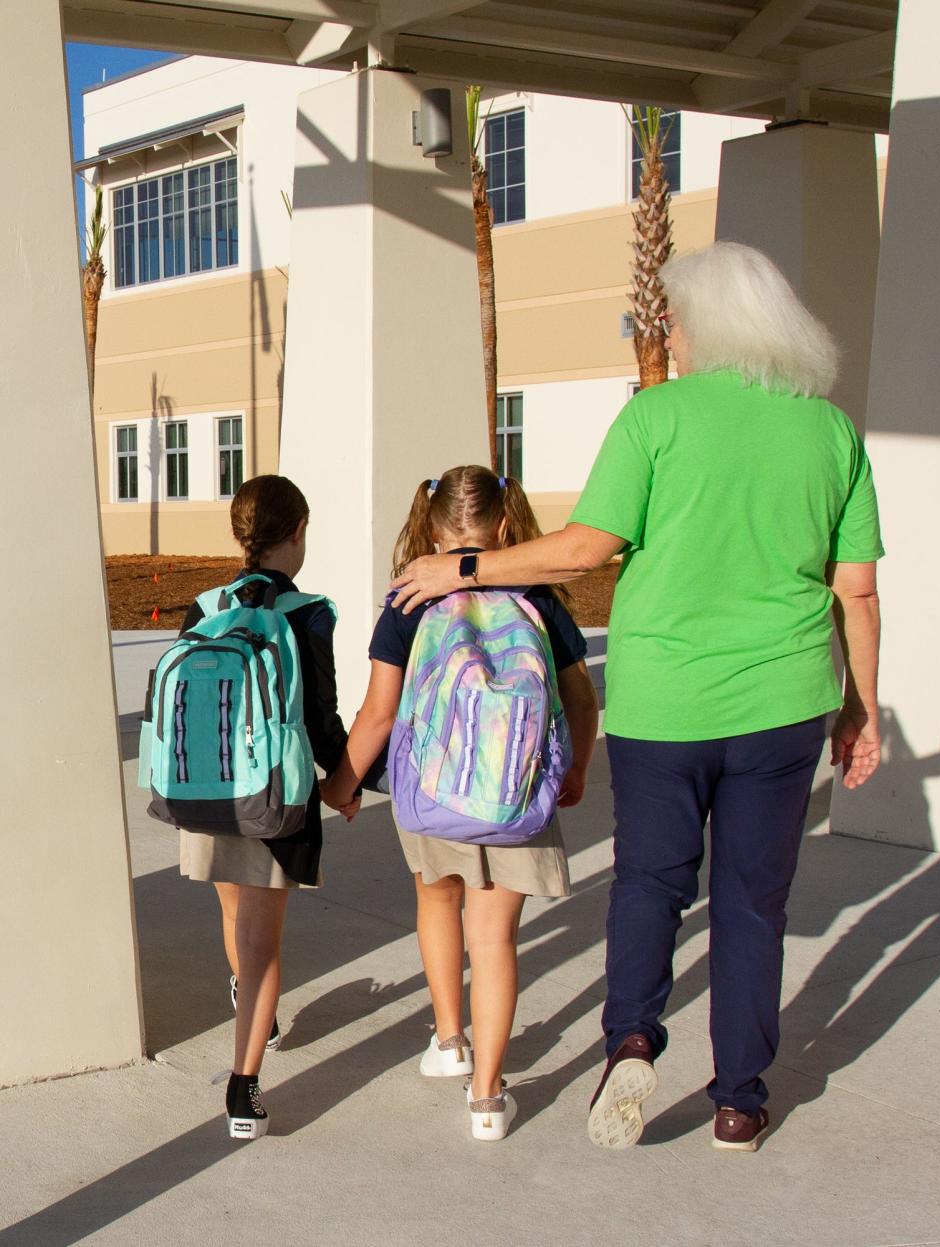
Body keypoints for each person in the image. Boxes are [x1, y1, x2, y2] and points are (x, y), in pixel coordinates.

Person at [389, 242, 884, 1152]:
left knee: (651, 883)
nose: (674, 337)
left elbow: (584, 549)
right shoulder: (831, 432)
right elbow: (855, 587)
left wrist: (462, 564)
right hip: (783, 706)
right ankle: (738, 1096)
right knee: (751, 900)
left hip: (664, 703)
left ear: (714, 327)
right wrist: (862, 707)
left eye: (679, 321)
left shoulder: (655, 418)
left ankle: (631, 1035)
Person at [321, 466, 598, 1141]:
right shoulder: (538, 593)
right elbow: (582, 696)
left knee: (437, 900)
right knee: (495, 938)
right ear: (506, 525)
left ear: (432, 526)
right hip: (517, 792)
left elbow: (379, 713)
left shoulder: (409, 600)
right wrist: (578, 766)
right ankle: (486, 1097)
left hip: (436, 785)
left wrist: (342, 783)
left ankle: (449, 1040)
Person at [178, 474, 356, 1140]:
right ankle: (242, 1083)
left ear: (239, 535)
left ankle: (252, 1008)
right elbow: (320, 713)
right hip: (274, 794)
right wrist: (347, 780)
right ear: (298, 531)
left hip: (206, 787)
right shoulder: (308, 612)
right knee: (262, 941)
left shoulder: (204, 606)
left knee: (235, 917)